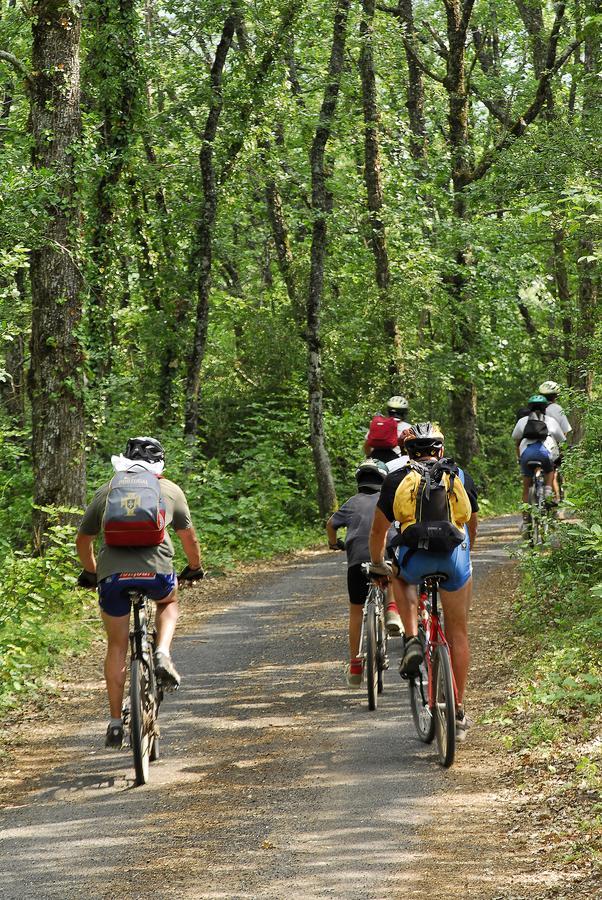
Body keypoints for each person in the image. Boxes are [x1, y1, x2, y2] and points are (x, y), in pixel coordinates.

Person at [76, 436, 204, 748]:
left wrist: (92, 572)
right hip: (156, 574)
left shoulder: (108, 491)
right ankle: (161, 652)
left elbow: (83, 540)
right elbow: (189, 540)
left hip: (112, 578)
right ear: (159, 463)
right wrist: (194, 567)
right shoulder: (169, 489)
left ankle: (116, 723)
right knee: (169, 601)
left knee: (117, 645)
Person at [368, 423, 479, 741]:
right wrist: (468, 552)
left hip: (415, 561)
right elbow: (471, 522)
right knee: (458, 633)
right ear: (440, 449)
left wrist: (379, 566)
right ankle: (457, 711)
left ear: (407, 451)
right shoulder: (460, 476)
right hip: (453, 561)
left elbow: (378, 532)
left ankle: (413, 637)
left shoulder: (396, 479)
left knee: (398, 579)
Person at [326, 459, 399, 687]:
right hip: (384, 554)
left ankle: (356, 665)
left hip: (356, 561)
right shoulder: (389, 501)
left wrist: (334, 543)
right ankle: (392, 611)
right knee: (396, 572)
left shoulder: (351, 502)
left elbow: (331, 524)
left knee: (356, 610)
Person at [512, 395, 566, 517]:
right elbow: (562, 439)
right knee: (550, 470)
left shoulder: (523, 421)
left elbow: (515, 437)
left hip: (526, 454)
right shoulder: (551, 421)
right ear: (545, 408)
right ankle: (547, 490)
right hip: (544, 453)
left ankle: (526, 520)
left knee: (526, 487)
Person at [363, 395, 411, 470]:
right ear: (404, 413)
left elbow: (367, 446)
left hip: (375, 461)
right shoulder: (408, 428)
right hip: (397, 463)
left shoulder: (379, 424)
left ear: (388, 411)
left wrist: (369, 457)